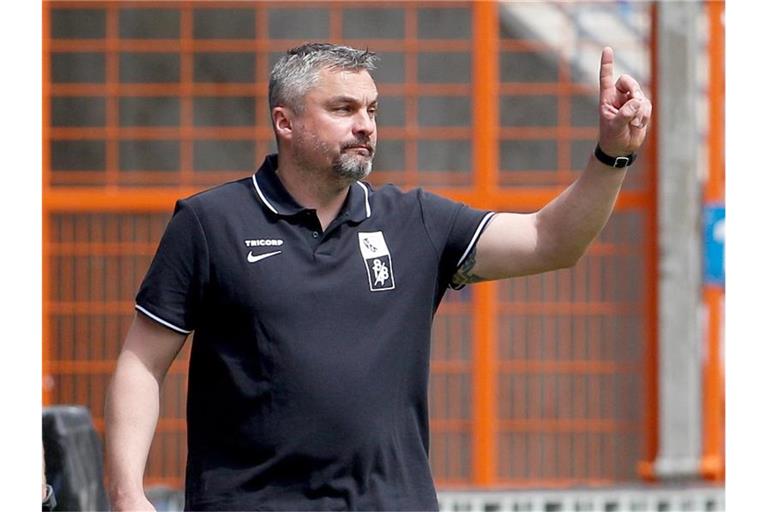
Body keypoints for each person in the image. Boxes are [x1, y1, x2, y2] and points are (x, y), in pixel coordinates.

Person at [105, 42, 651, 511]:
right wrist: (127, 494)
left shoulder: (413, 220)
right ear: (285, 122)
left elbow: (551, 241)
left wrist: (613, 155)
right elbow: (142, 364)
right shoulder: (210, 223)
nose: (365, 124)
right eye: (343, 108)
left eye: (371, 109)